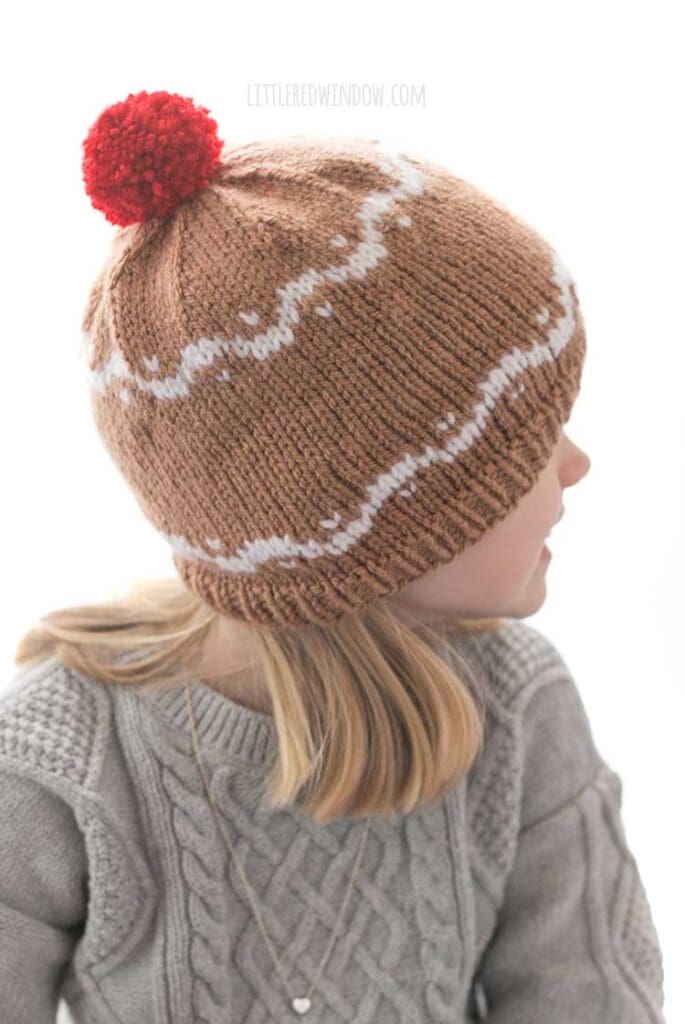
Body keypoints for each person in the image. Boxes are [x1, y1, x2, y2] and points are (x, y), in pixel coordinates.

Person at [0, 89, 665, 1023]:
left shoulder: (515, 709)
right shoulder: (60, 756)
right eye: (520, 442)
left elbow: (590, 999)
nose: (576, 463)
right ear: (381, 522)